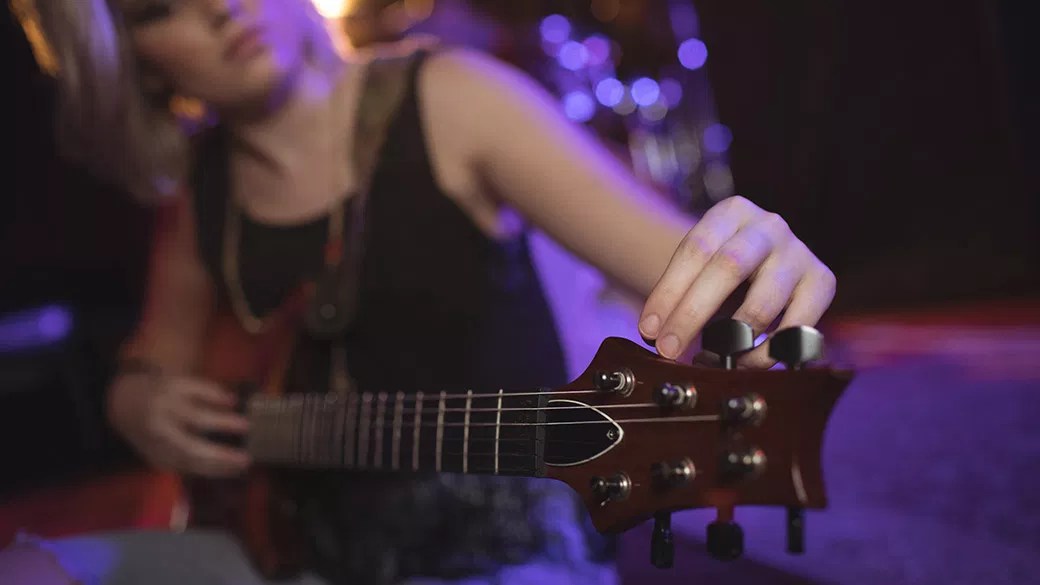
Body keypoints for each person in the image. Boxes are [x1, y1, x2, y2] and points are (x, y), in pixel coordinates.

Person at [1, 0, 837, 584]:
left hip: (499, 547)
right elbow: (148, 363)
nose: (219, 7)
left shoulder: (454, 98)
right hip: (287, 547)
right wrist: (136, 401)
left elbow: (698, 281)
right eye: (160, 7)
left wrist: (761, 268)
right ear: (137, 68)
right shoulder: (198, 197)